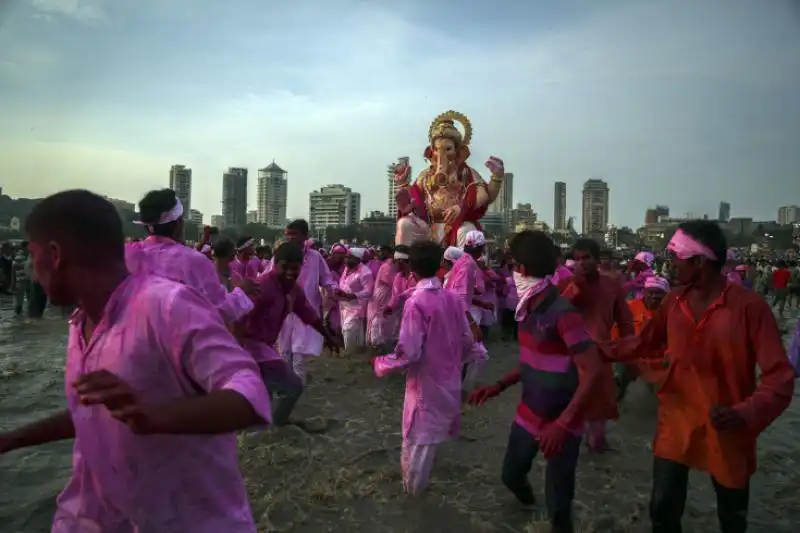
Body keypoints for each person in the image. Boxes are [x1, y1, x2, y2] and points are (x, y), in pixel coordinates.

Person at [0, 190, 272, 532]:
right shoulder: (81, 324)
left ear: (54, 255)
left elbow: (249, 392)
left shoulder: (168, 304)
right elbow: (96, 414)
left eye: (32, 253)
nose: (31, 268)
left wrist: (155, 415)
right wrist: (11, 439)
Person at [605, 220, 795, 533]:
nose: (671, 265)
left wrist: (745, 413)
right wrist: (597, 348)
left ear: (699, 262)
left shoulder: (750, 308)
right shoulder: (674, 301)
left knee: (732, 517)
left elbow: (780, 377)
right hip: (676, 420)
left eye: (675, 257)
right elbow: (644, 342)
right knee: (663, 509)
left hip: (728, 424)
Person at [468, 231, 603, 533]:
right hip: (528, 414)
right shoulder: (527, 307)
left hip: (562, 422)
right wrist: (498, 386)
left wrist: (564, 424)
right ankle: (526, 511)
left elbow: (592, 370)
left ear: (522, 268)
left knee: (559, 505)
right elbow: (533, 359)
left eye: (513, 264)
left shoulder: (562, 312)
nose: (512, 271)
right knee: (511, 475)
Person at [372, 241, 475, 495]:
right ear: (440, 265)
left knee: (416, 454)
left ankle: (414, 507)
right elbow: (469, 343)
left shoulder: (416, 302)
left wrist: (379, 363)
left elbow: (409, 353)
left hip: (425, 390)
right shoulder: (451, 298)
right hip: (449, 386)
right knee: (431, 448)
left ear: (411, 270)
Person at [236, 241, 338, 425]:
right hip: (250, 347)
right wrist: (236, 350)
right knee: (292, 386)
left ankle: (268, 427)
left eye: (295, 268)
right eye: (286, 268)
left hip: (265, 348)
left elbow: (308, 314)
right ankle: (272, 426)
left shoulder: (293, 289)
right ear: (275, 264)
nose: (291, 273)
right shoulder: (262, 287)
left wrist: (328, 337)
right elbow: (238, 318)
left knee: (268, 391)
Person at [126, 189, 255, 323]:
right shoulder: (194, 261)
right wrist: (241, 293)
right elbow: (219, 311)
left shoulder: (126, 254)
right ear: (178, 224)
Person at [560, 238, 634, 452]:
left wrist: (628, 351)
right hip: (570, 359)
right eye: (577, 259)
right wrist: (573, 292)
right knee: (568, 422)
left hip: (601, 356)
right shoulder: (566, 286)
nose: (581, 263)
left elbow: (625, 321)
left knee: (597, 431)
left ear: (596, 258)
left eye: (586, 258)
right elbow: (553, 319)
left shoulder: (611, 285)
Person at [276, 219, 338, 384]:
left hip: (306, 312)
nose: (290, 238)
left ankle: (297, 391)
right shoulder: (281, 254)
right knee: (284, 354)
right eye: (287, 234)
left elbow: (326, 279)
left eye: (294, 234)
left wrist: (333, 290)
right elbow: (268, 276)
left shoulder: (315, 257)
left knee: (299, 357)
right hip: (285, 313)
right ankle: (286, 389)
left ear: (305, 236)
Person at [615, 275, 671, 400]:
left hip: (656, 358)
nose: (654, 296)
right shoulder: (629, 307)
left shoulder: (671, 313)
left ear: (666, 296)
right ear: (644, 292)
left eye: (659, 293)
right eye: (651, 292)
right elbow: (615, 335)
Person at [336, 247, 374, 353]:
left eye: (350, 257)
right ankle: (353, 355)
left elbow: (368, 291)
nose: (346, 259)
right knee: (346, 330)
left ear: (358, 259)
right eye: (346, 257)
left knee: (349, 330)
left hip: (356, 306)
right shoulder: (347, 268)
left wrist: (352, 295)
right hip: (344, 305)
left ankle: (350, 353)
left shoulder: (365, 273)